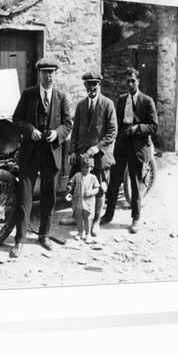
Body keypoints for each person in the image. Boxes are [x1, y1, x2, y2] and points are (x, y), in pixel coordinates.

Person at [9, 58, 73, 258]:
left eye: (52, 72)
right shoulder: (28, 95)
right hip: (30, 153)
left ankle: (44, 236)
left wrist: (57, 134)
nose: (49, 76)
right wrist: (30, 131)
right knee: (25, 198)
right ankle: (19, 240)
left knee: (49, 197)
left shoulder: (61, 97)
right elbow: (16, 119)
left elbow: (68, 123)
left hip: (51, 154)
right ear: (39, 74)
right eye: (45, 72)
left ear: (55, 74)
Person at [102, 67, 158, 234]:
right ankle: (108, 214)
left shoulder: (147, 101)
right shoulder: (120, 100)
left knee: (135, 183)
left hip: (138, 147)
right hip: (122, 145)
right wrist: (115, 139)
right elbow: (116, 123)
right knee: (114, 181)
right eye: (128, 81)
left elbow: (154, 126)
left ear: (138, 81)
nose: (130, 84)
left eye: (133, 80)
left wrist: (137, 129)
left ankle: (136, 218)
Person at [63, 71, 117, 236]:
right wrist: (72, 151)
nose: (91, 88)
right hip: (81, 155)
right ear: (85, 86)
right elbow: (75, 130)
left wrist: (98, 147)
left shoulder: (108, 104)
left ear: (99, 85)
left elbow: (112, 131)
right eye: (88, 84)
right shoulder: (81, 105)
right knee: (77, 187)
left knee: (98, 189)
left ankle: (96, 222)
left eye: (94, 84)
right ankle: (75, 215)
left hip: (99, 157)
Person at [66, 155, 100, 243]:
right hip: (77, 201)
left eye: (87, 167)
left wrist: (90, 192)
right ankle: (80, 232)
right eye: (83, 167)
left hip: (88, 202)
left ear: (91, 168)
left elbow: (97, 189)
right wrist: (70, 187)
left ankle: (88, 234)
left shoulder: (93, 178)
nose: (85, 169)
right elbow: (71, 182)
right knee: (78, 217)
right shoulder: (77, 175)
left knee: (87, 218)